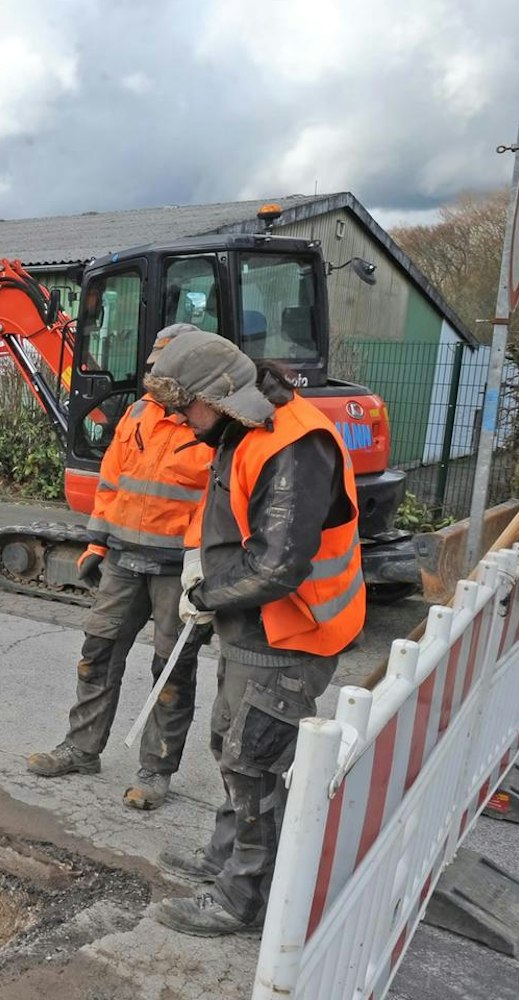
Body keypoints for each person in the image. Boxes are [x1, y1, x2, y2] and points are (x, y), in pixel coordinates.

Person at [140, 330, 365, 937]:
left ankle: (245, 897)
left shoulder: (292, 445)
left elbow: (276, 566)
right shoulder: (240, 428)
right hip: (256, 626)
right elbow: (229, 520)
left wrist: (206, 594)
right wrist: (203, 568)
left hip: (290, 632)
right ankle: (224, 857)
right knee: (233, 746)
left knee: (254, 761)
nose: (183, 420)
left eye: (186, 406)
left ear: (219, 393)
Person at [27, 324, 214, 810]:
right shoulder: (137, 416)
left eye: (164, 367)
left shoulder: (210, 426)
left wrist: (200, 567)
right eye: (153, 367)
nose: (153, 375)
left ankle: (156, 770)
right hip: (124, 562)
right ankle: (82, 748)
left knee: (172, 671)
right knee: (98, 653)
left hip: (177, 569)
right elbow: (112, 483)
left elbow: (214, 502)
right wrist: (97, 544)